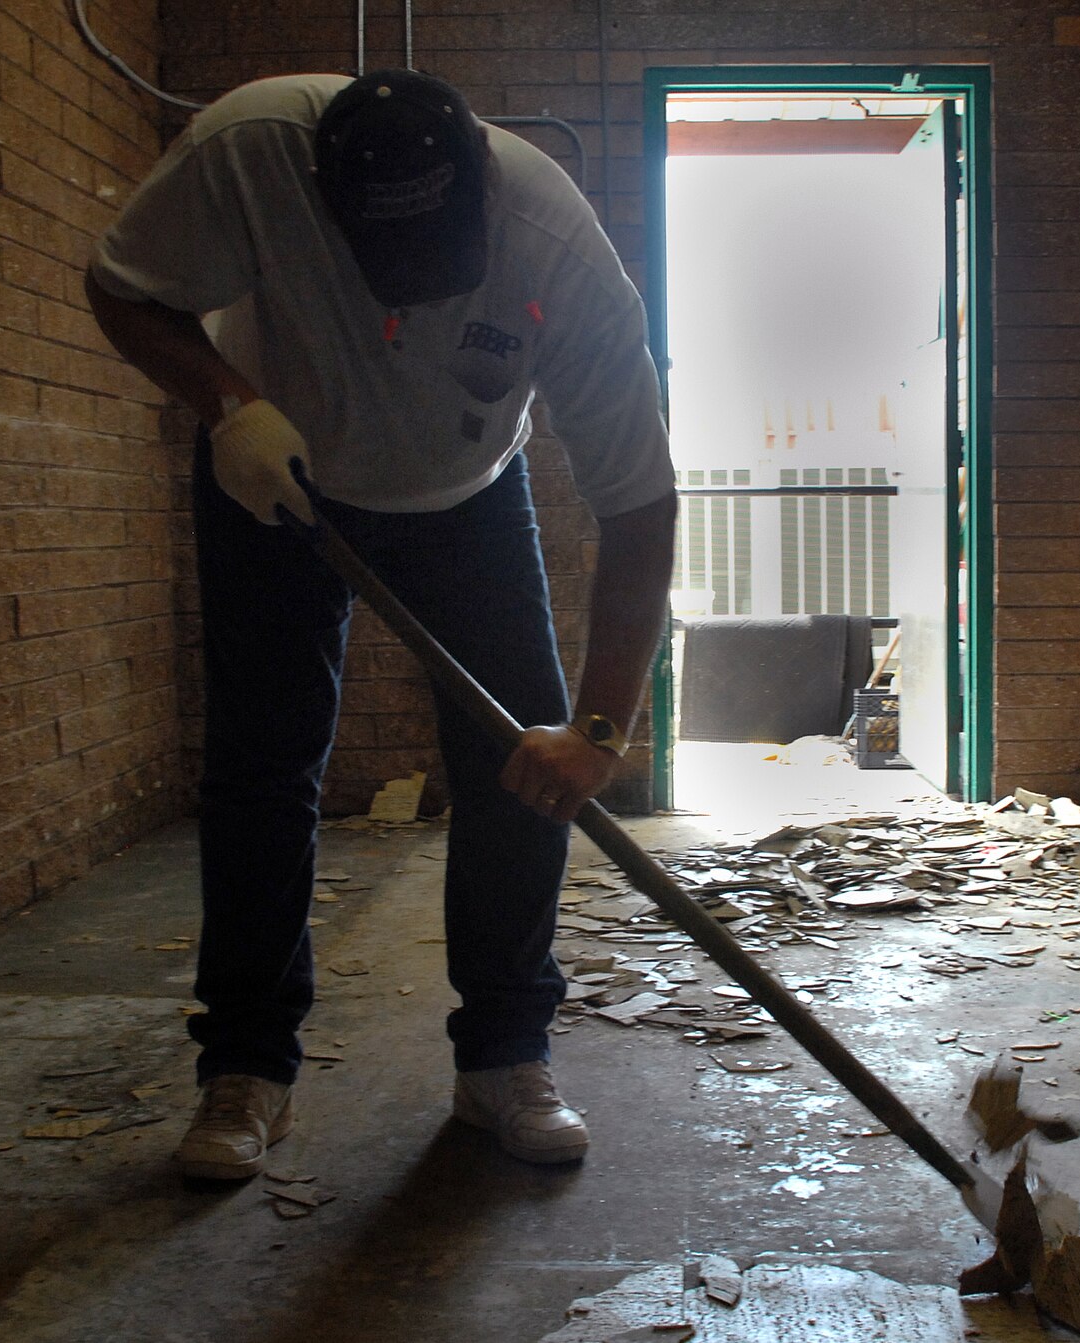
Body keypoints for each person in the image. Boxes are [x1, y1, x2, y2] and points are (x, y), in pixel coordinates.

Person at [85, 69, 677, 1179]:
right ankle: (246, 1067)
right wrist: (227, 403)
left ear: (480, 208)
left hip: (467, 491)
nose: (407, 307)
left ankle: (504, 1053)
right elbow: (123, 287)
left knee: (521, 765)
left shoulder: (555, 242)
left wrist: (598, 730)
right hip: (274, 469)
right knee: (262, 765)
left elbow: (640, 505)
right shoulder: (247, 150)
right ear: (320, 198)